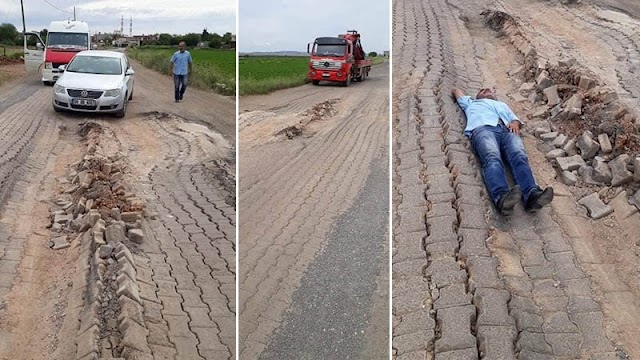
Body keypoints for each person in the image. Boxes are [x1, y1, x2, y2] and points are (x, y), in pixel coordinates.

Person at [452, 87, 554, 215]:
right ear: (477, 96)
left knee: (519, 156)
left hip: (508, 130)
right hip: (484, 129)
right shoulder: (471, 103)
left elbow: (515, 119)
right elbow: (456, 91)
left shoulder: (502, 105)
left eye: (489, 90)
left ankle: (532, 195)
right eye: (482, 90)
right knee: (492, 157)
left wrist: (515, 123)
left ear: (495, 95)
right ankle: (502, 197)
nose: (486, 89)